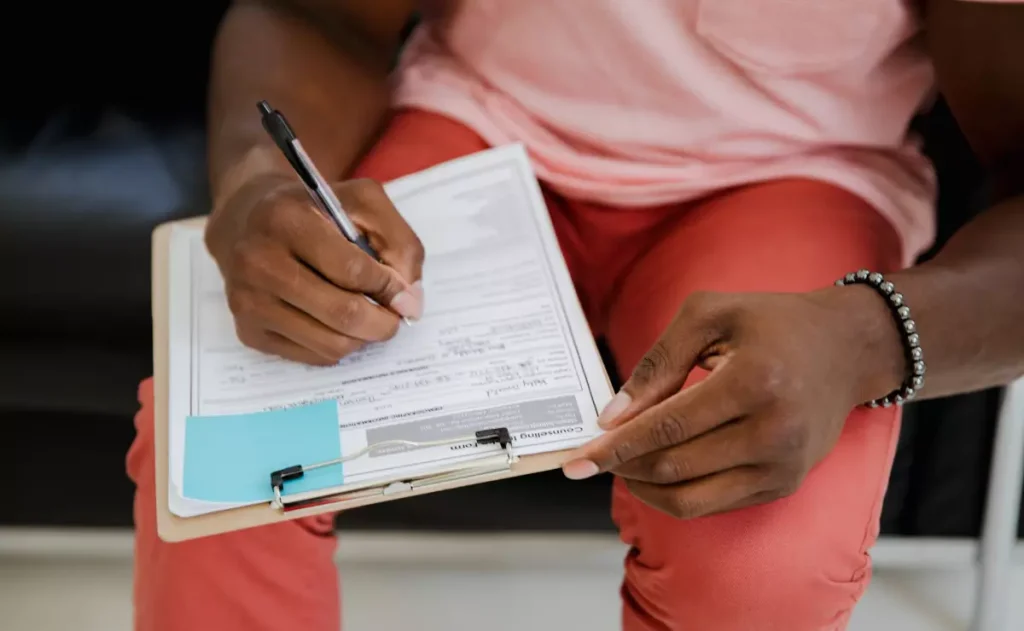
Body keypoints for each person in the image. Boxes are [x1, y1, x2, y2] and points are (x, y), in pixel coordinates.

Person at [127, 1, 1024, 629]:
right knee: (219, 465)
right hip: (482, 130)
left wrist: (865, 338)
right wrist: (258, 182)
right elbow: (318, 15)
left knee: (764, 561)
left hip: (793, 170)